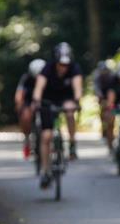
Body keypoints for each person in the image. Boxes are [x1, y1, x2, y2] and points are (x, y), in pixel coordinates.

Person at [32, 42, 83, 188]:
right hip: (48, 100)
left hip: (66, 99)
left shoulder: (74, 68)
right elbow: (39, 87)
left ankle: (72, 143)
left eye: (66, 64)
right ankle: (45, 170)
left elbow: (77, 87)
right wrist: (36, 101)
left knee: (69, 111)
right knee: (46, 136)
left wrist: (77, 101)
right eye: (61, 64)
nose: (63, 67)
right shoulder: (47, 68)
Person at [15, 58, 46, 158]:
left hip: (44, 102)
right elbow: (19, 94)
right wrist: (20, 106)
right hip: (28, 102)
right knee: (25, 117)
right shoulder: (26, 78)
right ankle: (27, 140)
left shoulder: (49, 77)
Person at [92, 60, 115, 139]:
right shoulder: (97, 75)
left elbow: (114, 87)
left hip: (110, 92)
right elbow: (96, 87)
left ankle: (110, 129)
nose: (104, 72)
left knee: (111, 109)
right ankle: (104, 129)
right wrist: (99, 96)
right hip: (102, 93)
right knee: (103, 109)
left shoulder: (111, 75)